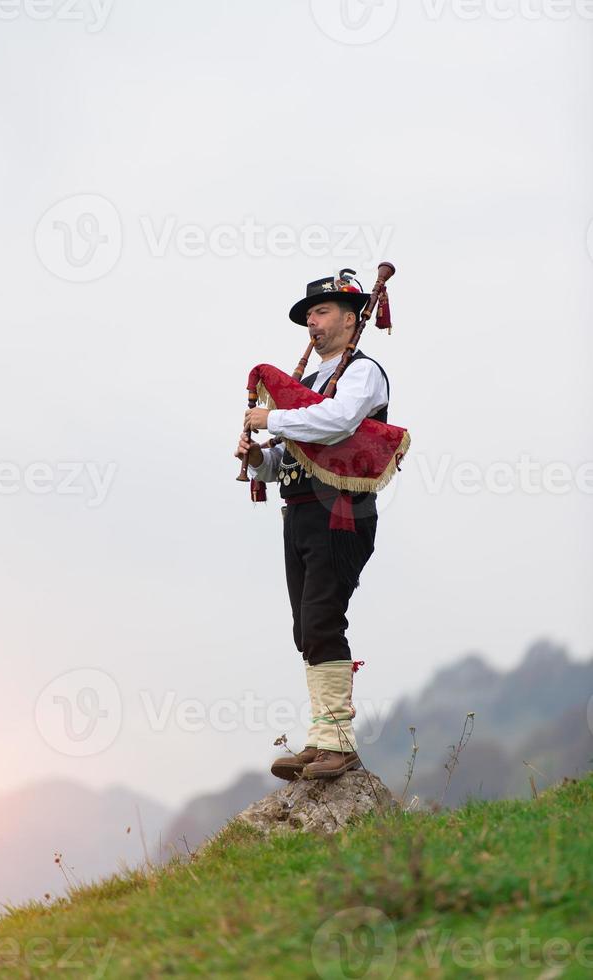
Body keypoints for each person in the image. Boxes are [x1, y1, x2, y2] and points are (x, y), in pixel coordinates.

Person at [234, 272, 391, 781]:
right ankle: (322, 739)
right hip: (299, 509)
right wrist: (259, 455)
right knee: (307, 629)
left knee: (324, 618)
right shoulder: (304, 387)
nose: (312, 323)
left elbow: (339, 423)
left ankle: (339, 744)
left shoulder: (363, 374)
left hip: (340, 509)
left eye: (321, 313)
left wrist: (272, 420)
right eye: (309, 316)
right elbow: (282, 463)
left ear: (351, 317)